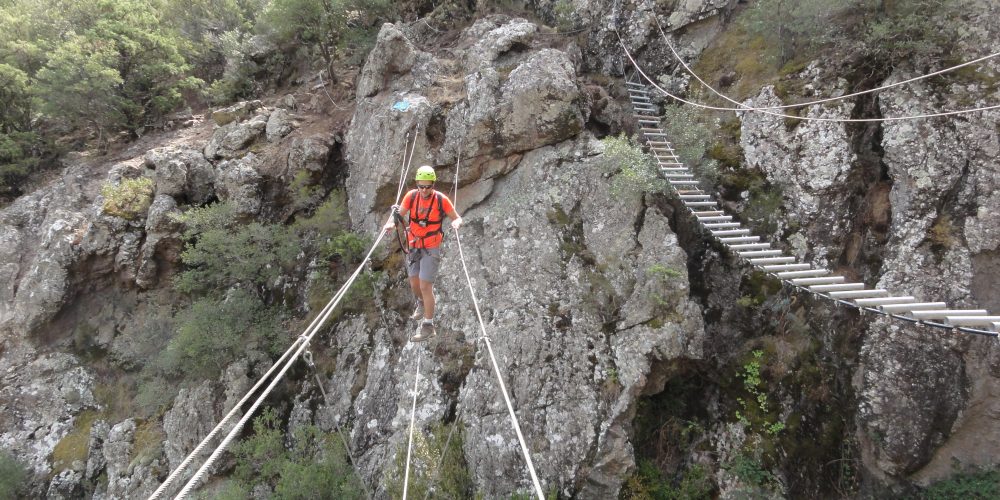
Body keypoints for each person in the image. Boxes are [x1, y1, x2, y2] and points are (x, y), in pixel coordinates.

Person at [384, 166, 463, 342]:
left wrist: (457, 223)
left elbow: (456, 217)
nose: (425, 189)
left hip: (431, 246)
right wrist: (390, 224)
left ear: (433, 184)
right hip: (414, 244)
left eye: (428, 186)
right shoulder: (411, 196)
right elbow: (399, 215)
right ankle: (420, 302)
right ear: (417, 184)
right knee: (414, 283)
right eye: (422, 186)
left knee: (426, 285)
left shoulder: (441, 200)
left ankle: (428, 326)